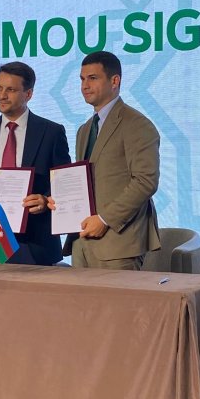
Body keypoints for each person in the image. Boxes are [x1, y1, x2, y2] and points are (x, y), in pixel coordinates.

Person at [55, 50, 160, 270]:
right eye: (82, 79)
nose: (85, 86)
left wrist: (104, 219)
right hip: (82, 242)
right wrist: (59, 200)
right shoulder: (85, 129)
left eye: (93, 78)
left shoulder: (137, 124)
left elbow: (145, 181)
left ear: (115, 81)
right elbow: (86, 182)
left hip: (118, 244)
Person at [0, 61, 72, 265]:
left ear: (28, 94)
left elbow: (64, 183)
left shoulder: (51, 132)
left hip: (35, 246)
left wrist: (45, 200)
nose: (2, 95)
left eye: (10, 90)